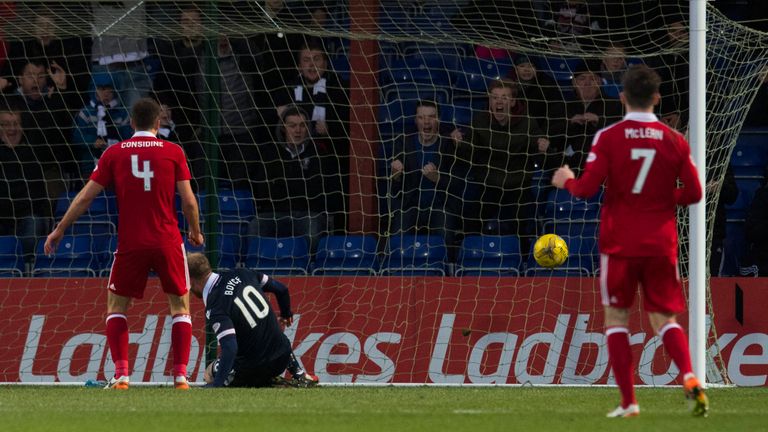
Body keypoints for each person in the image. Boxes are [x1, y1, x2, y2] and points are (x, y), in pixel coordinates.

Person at [551, 64, 708, 417]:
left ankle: (629, 402)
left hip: (619, 243)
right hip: (660, 243)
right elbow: (695, 193)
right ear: (657, 97)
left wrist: (566, 181)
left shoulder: (608, 137)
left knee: (616, 319)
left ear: (622, 97)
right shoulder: (675, 140)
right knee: (664, 319)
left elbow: (588, 189)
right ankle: (690, 378)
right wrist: (662, 197)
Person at [45, 98, 203, 390]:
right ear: (158, 123)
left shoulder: (113, 153)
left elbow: (84, 197)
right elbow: (189, 200)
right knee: (180, 308)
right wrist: (195, 231)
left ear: (131, 123)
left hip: (131, 242)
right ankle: (180, 377)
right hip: (167, 240)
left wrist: (59, 229)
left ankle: (122, 375)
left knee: (116, 307)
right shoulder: (173, 151)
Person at [186, 252, 318, 388]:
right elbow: (282, 289)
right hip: (281, 359)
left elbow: (230, 348)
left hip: (254, 368)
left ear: (191, 281)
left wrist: (216, 385)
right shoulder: (243, 272)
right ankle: (300, 375)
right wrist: (286, 313)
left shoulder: (216, 304)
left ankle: (263, 382)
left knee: (210, 372)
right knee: (274, 335)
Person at [451, 78, 550, 239]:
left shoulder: (528, 123)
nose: (499, 101)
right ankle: (471, 256)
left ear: (512, 102)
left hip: (518, 185)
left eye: (504, 97)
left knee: (524, 223)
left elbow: (539, 154)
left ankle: (523, 259)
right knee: (470, 218)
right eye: (495, 97)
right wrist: (459, 144)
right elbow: (468, 156)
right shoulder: (479, 121)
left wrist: (543, 148)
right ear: (490, 101)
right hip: (487, 184)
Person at [388, 100, 464, 251]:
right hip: (410, 206)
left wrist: (437, 178)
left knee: (445, 237)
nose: (426, 122)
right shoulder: (404, 143)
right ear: (416, 120)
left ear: (439, 120)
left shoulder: (449, 144)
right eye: (422, 117)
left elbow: (458, 183)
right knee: (396, 238)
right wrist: (395, 175)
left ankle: (447, 270)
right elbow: (395, 188)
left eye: (431, 117)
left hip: (440, 206)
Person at [0, 106, 50, 257]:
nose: (12, 129)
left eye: (16, 124)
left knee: (33, 224)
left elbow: (38, 196)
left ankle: (28, 266)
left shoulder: (32, 153)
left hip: (26, 215)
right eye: (6, 124)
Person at [72, 72, 132, 178]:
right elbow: (77, 136)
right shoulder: (85, 113)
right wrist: (92, 141)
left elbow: (128, 137)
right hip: (90, 166)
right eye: (101, 89)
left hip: (116, 165)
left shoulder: (121, 113)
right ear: (94, 89)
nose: (106, 93)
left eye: (109, 88)